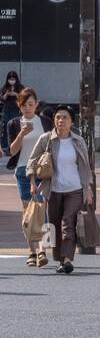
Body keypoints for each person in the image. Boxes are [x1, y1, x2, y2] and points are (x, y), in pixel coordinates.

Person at [32, 105, 94, 274]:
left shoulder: (78, 141)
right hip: (53, 190)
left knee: (68, 223)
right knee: (53, 225)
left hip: (74, 189)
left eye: (65, 117)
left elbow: (86, 167)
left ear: (71, 121)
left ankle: (67, 259)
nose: (61, 121)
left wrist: (87, 188)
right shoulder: (46, 139)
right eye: (58, 117)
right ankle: (60, 259)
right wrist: (32, 182)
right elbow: (32, 162)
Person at [7, 89, 53, 267]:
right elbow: (12, 151)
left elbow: (52, 146)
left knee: (42, 207)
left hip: (43, 171)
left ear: (36, 105)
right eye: (24, 104)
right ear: (19, 106)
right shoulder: (14, 123)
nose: (27, 108)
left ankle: (43, 249)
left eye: (31, 104)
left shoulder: (46, 122)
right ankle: (32, 251)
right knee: (28, 210)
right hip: (22, 170)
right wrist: (21, 134)